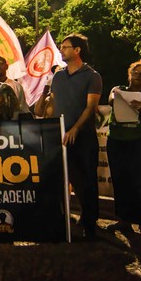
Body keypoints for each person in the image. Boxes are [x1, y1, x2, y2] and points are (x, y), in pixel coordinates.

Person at [51, 34, 102, 239]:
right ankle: (61, 219)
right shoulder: (57, 76)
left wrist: (75, 129)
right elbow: (52, 105)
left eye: (65, 47)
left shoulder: (92, 76)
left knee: (86, 180)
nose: (61, 50)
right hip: (60, 137)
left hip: (83, 137)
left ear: (78, 50)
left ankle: (90, 221)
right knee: (61, 179)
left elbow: (91, 107)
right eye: (61, 46)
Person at [106, 61, 141, 228]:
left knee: (140, 181)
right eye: (135, 72)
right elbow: (111, 99)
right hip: (116, 140)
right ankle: (124, 220)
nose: (137, 75)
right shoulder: (118, 89)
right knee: (120, 180)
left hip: (139, 141)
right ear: (129, 74)